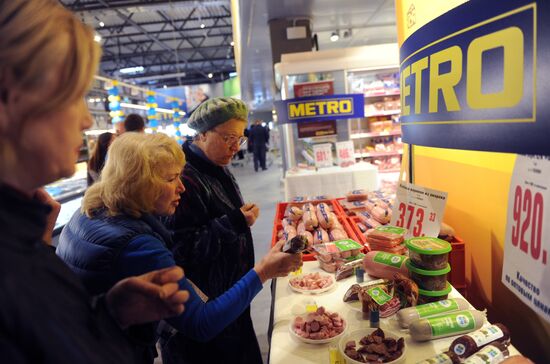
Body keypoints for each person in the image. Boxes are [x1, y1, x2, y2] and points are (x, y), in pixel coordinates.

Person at [0, 1, 189, 362]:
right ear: (10, 96)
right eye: (74, 95)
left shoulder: (26, 235)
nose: (87, 120)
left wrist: (110, 315)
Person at [56, 133, 301, 363]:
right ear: (141, 183)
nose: (182, 188)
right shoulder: (139, 246)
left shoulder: (87, 213)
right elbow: (201, 323)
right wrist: (263, 272)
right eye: (171, 178)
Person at [164, 97, 267, 364]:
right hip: (208, 308)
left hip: (231, 298)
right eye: (228, 138)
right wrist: (234, 222)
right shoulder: (184, 177)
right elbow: (181, 250)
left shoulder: (217, 165)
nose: (235, 147)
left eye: (240, 139)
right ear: (202, 134)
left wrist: (239, 217)